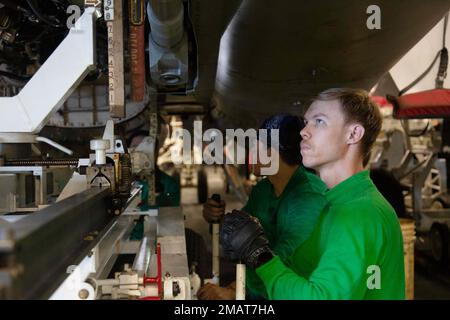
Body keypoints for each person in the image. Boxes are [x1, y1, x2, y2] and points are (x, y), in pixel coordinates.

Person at [220, 88, 405, 299]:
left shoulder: (358, 214)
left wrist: (259, 255)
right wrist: (252, 262)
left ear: (353, 134)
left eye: (319, 121)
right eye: (307, 122)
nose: (304, 131)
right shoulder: (336, 204)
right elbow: (296, 270)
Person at [197, 113, 328, 300]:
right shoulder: (263, 190)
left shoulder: (308, 198)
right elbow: (242, 237)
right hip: (264, 290)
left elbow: (286, 260)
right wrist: (217, 218)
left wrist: (235, 290)